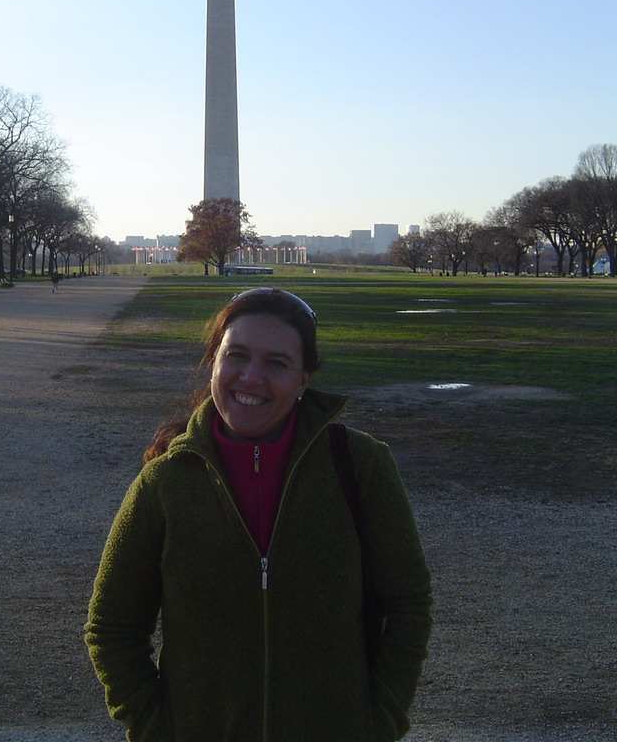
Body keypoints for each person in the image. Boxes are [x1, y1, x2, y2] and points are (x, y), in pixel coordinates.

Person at [85, 287, 432, 742]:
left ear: (305, 379)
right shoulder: (165, 482)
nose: (250, 377)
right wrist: (156, 728)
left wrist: (380, 721)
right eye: (237, 355)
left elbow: (408, 604)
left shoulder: (361, 466)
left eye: (277, 363)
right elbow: (111, 627)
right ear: (214, 361)